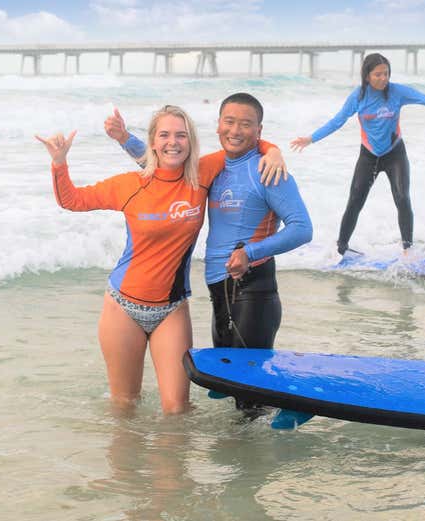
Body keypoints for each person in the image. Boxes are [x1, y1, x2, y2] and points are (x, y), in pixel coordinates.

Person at [106, 93, 313, 413]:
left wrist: (250, 252)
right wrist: (123, 138)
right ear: (218, 125)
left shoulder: (267, 170)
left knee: (250, 397)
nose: (236, 130)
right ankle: (246, 441)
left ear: (259, 130)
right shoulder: (209, 169)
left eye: (246, 124)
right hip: (220, 290)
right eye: (229, 122)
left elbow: (302, 228)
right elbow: (160, 163)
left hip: (253, 287)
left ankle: (281, 423)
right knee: (233, 389)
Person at [36, 105, 228, 415]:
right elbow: (72, 200)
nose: (173, 142)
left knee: (177, 410)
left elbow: (244, 144)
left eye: (181, 135)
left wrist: (272, 153)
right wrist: (59, 162)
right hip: (122, 308)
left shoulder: (202, 175)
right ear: (153, 142)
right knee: (125, 407)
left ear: (191, 141)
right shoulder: (130, 185)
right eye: (164, 135)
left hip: (172, 309)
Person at [290, 53, 425, 256]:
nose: (383, 78)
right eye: (378, 74)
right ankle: (341, 248)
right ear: (367, 76)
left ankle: (408, 250)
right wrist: (311, 139)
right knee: (355, 201)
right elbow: (337, 121)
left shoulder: (397, 92)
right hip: (369, 156)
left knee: (402, 198)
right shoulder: (358, 96)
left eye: (386, 73)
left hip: (395, 154)